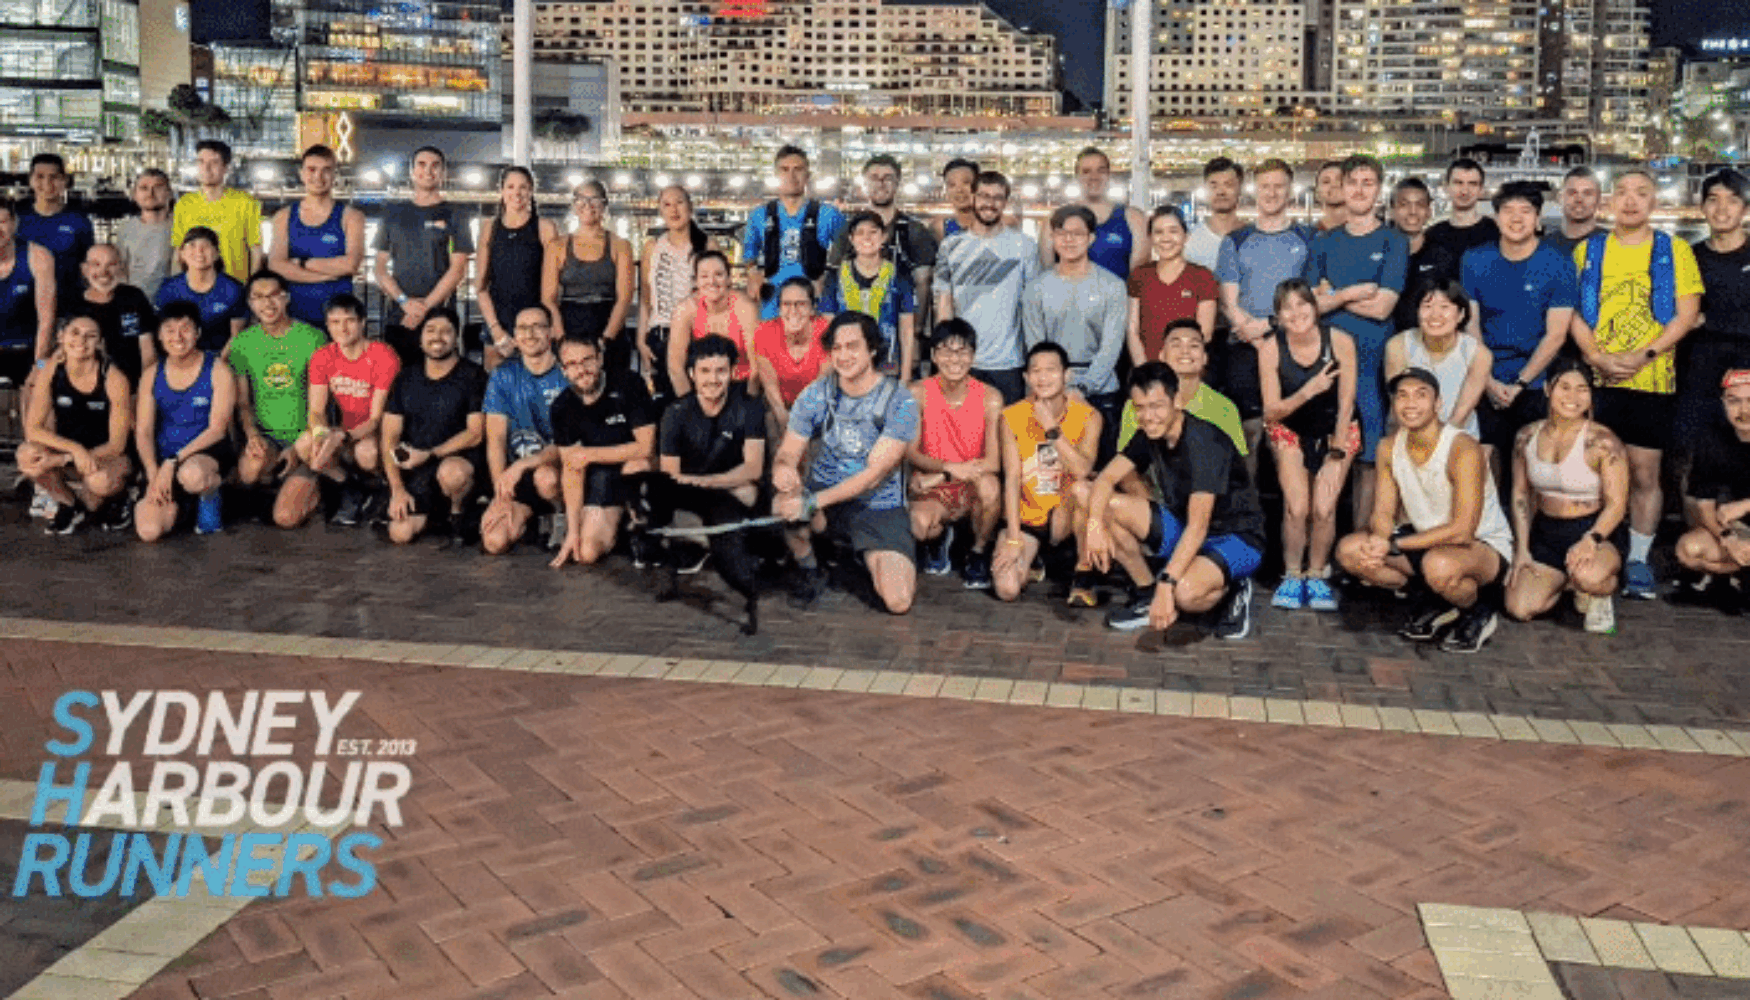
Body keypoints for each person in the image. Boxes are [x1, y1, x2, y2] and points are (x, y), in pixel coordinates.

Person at [1569, 170, 1703, 599]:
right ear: (1610, 201)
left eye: (1641, 194)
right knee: (1592, 469)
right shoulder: (1590, 251)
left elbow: (1686, 314)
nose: (1630, 201)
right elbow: (1568, 309)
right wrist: (1595, 356)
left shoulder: (1673, 249)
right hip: (1596, 379)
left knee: (1646, 473)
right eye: (1622, 193)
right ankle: (1596, 547)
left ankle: (1639, 558)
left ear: (1653, 202)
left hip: (1652, 379)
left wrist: (1642, 356)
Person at [1336, 368, 1515, 653]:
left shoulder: (1461, 447)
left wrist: (1393, 544)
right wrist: (1380, 539)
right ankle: (1437, 598)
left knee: (1438, 566)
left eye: (1421, 395)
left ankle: (1478, 609)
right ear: (1393, 405)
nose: (1410, 404)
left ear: (1438, 404)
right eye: (1402, 396)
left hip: (1481, 546)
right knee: (1350, 550)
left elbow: (1463, 530)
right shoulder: (1388, 446)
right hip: (1425, 539)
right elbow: (1383, 510)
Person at [1082, 362, 1264, 639]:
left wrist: (1167, 585)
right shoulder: (1149, 434)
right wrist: (1094, 524)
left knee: (1185, 594)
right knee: (1103, 504)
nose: (1147, 416)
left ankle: (1234, 588)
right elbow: (1105, 479)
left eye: (1156, 406)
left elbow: (1199, 526)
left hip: (1236, 538)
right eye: (1139, 407)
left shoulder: (1204, 442)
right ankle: (1146, 594)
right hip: (1186, 526)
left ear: (1177, 400)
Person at [772, 312, 920, 613]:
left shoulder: (899, 401)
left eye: (852, 346)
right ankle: (810, 567)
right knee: (782, 504)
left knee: (898, 601)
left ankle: (856, 556)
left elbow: (873, 477)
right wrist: (784, 470)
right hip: (825, 498)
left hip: (877, 507)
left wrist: (812, 502)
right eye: (836, 348)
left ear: (873, 349)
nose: (843, 355)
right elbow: (788, 451)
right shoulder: (816, 394)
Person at [1305, 154, 1409, 524]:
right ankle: (1323, 552)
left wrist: (1334, 296)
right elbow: (1310, 307)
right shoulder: (1323, 243)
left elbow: (1383, 307)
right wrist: (1354, 293)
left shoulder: (1394, 241)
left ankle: (1360, 544)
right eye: (1353, 183)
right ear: (1341, 189)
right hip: (1328, 366)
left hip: (1374, 367)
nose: (1360, 190)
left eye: (1368, 183)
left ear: (1379, 191)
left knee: (1370, 461)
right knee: (1327, 457)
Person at [1504, 361, 1629, 634]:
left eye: (1582, 389)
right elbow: (1521, 494)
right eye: (1565, 388)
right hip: (1547, 530)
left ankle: (1597, 590)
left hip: (1594, 529)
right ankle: (1567, 584)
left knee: (1590, 577)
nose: (1573, 398)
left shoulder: (1603, 441)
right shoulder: (1526, 436)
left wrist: (1591, 540)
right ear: (1548, 389)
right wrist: (1522, 549)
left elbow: (1617, 504)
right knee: (1519, 608)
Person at [1258, 280, 1358, 611]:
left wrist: (1337, 449)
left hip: (1336, 429)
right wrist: (1309, 390)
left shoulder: (1340, 341)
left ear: (1315, 308)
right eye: (1288, 308)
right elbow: (1272, 410)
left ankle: (1316, 573)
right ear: (1278, 316)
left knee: (1324, 507)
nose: (1297, 313)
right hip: (1289, 428)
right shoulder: (1271, 349)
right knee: (1298, 507)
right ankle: (1292, 574)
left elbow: (1346, 402)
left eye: (1303, 305)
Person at [1461, 183, 1577, 460]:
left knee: (1534, 463)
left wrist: (1521, 383)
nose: (1516, 218)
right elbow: (1471, 325)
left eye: (1526, 211)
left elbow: (1556, 334)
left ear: (1537, 219)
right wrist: (1487, 380)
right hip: (1484, 374)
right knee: (1482, 462)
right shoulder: (1475, 259)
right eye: (1508, 211)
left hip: (1536, 381)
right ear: (1497, 217)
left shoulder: (1557, 263)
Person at [649, 333, 768, 586]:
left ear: (732, 372)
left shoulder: (749, 407)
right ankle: (702, 542)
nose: (713, 379)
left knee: (749, 491)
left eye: (720, 371)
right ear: (692, 373)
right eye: (704, 371)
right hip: (692, 495)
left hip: (728, 488)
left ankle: (735, 543)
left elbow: (753, 467)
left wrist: (708, 483)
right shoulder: (675, 413)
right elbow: (670, 475)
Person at [1217, 159, 1314, 462]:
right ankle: (1248, 506)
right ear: (1254, 192)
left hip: (1292, 345)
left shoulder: (1308, 239)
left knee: (1288, 434)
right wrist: (1257, 340)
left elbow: (1311, 300)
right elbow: (1229, 302)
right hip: (1246, 347)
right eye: (1265, 187)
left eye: (1278, 187)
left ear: (1290, 193)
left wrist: (1270, 330)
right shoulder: (1235, 240)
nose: (1271, 193)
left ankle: (1291, 508)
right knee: (1248, 433)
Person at [994, 342, 1101, 604]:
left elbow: (1083, 469)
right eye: (1036, 371)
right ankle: (1037, 560)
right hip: (1029, 514)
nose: (1043, 378)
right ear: (1026, 377)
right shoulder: (1010, 416)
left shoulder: (1089, 416)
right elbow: (1012, 479)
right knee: (1007, 589)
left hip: (1067, 514)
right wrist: (1013, 538)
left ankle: (1083, 572)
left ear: (1067, 375)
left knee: (1085, 489)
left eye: (1051, 370)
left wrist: (1051, 428)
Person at [1023, 205, 1128, 450]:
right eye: (1062, 233)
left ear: (1091, 238)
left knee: (1098, 472)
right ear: (1052, 237)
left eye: (1077, 234)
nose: (1069, 240)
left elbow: (1111, 346)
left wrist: (1083, 387)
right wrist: (1055, 388)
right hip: (1049, 389)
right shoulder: (1036, 288)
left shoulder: (1112, 286)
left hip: (1100, 390)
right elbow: (1036, 346)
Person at [548, 333, 658, 568]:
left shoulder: (629, 384)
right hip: (600, 479)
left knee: (636, 465)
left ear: (600, 359)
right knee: (585, 553)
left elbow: (646, 447)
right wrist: (573, 531)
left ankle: (645, 528)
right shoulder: (561, 407)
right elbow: (572, 470)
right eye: (573, 364)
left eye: (588, 360)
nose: (582, 369)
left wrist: (590, 455)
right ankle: (619, 528)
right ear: (563, 369)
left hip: (638, 472)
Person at [908, 319, 1003, 588]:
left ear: (973, 356)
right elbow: (911, 453)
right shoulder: (917, 393)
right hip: (933, 487)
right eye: (946, 351)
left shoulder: (990, 397)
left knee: (990, 488)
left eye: (962, 351)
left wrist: (946, 474)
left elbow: (994, 462)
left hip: (971, 483)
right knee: (918, 524)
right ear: (934, 355)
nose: (954, 359)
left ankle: (978, 552)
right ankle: (938, 540)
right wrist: (947, 470)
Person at [292, 293, 400, 527]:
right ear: (328, 326)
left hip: (377, 433)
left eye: (349, 320)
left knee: (367, 452)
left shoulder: (383, 355)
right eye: (335, 322)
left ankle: (382, 489)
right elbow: (316, 411)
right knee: (304, 444)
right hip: (344, 431)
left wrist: (341, 436)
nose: (343, 328)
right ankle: (350, 488)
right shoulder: (323, 357)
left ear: (362, 322)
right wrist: (321, 435)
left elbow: (375, 417)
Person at [381, 307, 487, 545]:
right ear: (420, 339)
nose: (437, 337)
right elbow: (389, 437)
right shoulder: (406, 377)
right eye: (430, 330)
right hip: (419, 468)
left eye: (446, 331)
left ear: (456, 338)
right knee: (400, 534)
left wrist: (429, 454)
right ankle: (436, 517)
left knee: (452, 473)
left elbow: (475, 433)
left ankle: (458, 514)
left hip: (458, 463)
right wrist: (397, 489)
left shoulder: (473, 375)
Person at [227, 270, 327, 522]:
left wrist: (297, 448)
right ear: (250, 303)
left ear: (287, 298)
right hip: (268, 437)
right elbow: (242, 402)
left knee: (285, 518)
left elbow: (320, 408)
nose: (267, 303)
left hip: (306, 439)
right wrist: (252, 435)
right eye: (258, 297)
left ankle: (315, 485)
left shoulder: (312, 338)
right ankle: (277, 482)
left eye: (274, 295)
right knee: (250, 470)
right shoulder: (243, 343)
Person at [17, 315, 132, 533]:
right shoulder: (50, 370)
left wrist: (62, 458)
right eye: (75, 333)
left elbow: (117, 444)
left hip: (106, 456)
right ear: (61, 337)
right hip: (71, 450)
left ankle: (119, 498)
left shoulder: (114, 378)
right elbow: (32, 428)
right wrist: (74, 450)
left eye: (91, 336)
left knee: (99, 484)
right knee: (27, 456)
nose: (81, 341)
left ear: (100, 342)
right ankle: (68, 504)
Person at [133, 301, 237, 540]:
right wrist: (153, 473)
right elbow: (144, 431)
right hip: (163, 458)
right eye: (169, 330)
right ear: (159, 335)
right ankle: (182, 507)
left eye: (185, 328)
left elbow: (217, 429)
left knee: (193, 475)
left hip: (204, 455)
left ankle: (209, 495)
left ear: (198, 332)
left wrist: (173, 462)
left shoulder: (217, 369)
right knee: (149, 532)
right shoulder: (152, 374)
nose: (178, 337)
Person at [935, 170, 1040, 404]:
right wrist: (946, 356)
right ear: (973, 197)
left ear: (1005, 202)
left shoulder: (1025, 247)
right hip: (963, 362)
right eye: (984, 196)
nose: (989, 204)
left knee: (1006, 436)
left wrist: (1035, 362)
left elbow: (1033, 307)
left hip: (1009, 363)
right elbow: (944, 304)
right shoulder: (950, 247)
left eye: (997, 198)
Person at [373, 146, 474, 369]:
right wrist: (404, 302)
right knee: (397, 380)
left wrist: (425, 307)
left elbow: (458, 269)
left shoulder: (456, 214)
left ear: (444, 174)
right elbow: (379, 268)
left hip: (440, 315)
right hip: (399, 314)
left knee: (440, 379)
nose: (428, 171)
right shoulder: (393, 213)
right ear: (411, 171)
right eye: (421, 164)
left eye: (435, 165)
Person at [480, 306, 570, 555]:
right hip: (516, 477)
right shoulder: (503, 376)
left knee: (546, 478)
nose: (529, 334)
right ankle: (533, 520)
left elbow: (567, 444)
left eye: (538, 326)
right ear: (515, 337)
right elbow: (496, 439)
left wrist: (523, 464)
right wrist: (501, 496)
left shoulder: (567, 374)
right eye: (522, 328)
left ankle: (561, 516)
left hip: (560, 474)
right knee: (494, 542)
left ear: (551, 332)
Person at [827, 154, 938, 337]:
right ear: (864, 183)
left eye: (888, 178)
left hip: (901, 331)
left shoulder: (915, 231)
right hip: (854, 331)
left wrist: (916, 333)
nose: (881, 184)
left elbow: (923, 285)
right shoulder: (847, 231)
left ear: (898, 183)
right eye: (874, 178)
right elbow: (832, 282)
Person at [1680, 170, 1750, 444]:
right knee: (1696, 456)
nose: (1722, 209)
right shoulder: (1687, 256)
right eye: (1713, 199)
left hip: (1745, 376)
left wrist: (1706, 319)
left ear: (1745, 209)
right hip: (1698, 376)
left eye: (1732, 200)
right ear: (1702, 207)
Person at [1674, 369, 1750, 612]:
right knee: (1688, 551)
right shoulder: (1712, 438)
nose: (1743, 410)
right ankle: (1736, 573)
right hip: (1743, 531)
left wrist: (1745, 505)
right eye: (1734, 401)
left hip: (1741, 514)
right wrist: (1728, 539)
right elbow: (1704, 505)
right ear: (1723, 403)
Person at [1116, 319, 1249, 456]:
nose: (1185, 351)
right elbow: (1124, 463)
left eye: (1194, 345)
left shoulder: (1225, 408)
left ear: (1204, 358)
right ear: (1162, 356)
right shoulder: (1138, 404)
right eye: (1176, 345)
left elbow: (1236, 465)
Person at [743, 145, 845, 321]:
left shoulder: (829, 214)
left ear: (808, 175)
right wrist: (753, 273)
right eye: (784, 169)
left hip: (814, 307)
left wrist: (828, 277)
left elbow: (848, 251)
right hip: (772, 308)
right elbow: (748, 253)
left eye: (798, 169)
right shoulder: (759, 215)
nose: (791, 176)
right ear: (776, 174)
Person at [1384, 281, 1492, 443]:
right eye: (1427, 306)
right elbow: (1401, 404)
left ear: (1461, 314)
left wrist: (1437, 448)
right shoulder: (1398, 346)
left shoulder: (1479, 354)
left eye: (1444, 307)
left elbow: (1459, 417)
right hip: (1407, 434)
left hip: (1458, 438)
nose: (1435, 315)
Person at [475, 166, 559, 372]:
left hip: (536, 325)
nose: (517, 193)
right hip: (498, 321)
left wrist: (551, 323)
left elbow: (554, 286)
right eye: (510, 187)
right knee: (497, 388)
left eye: (523, 187)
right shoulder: (489, 228)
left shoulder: (545, 227)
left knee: (538, 386)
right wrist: (496, 331)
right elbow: (480, 287)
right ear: (502, 191)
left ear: (531, 191)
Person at [269, 144, 364, 327]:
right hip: (294, 316)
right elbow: (276, 265)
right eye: (312, 169)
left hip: (339, 321)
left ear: (335, 175)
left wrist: (303, 263)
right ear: (301, 173)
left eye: (326, 170)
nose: (318, 177)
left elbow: (351, 264)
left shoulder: (352, 216)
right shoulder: (284, 216)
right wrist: (326, 276)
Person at [543, 180, 634, 369]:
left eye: (594, 201)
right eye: (581, 200)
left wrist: (605, 340)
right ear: (574, 206)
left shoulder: (621, 246)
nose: (588, 206)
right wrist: (561, 340)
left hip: (609, 324)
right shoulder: (558, 246)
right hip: (570, 326)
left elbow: (624, 299)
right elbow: (548, 299)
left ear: (604, 206)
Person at [820, 210, 917, 382]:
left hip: (887, 367)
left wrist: (906, 376)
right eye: (860, 233)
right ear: (851, 238)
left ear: (884, 236)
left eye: (873, 232)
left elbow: (906, 330)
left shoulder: (900, 277)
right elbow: (828, 328)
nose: (867, 238)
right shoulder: (835, 278)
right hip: (847, 367)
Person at [637, 184, 707, 399]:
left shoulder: (706, 246)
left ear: (690, 206)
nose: (673, 210)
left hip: (697, 335)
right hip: (660, 335)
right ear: (660, 211)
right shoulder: (652, 247)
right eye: (667, 204)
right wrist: (641, 338)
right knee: (665, 404)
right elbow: (646, 297)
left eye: (679, 202)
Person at [1128, 205, 1218, 365]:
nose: (1166, 238)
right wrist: (1143, 368)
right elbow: (1132, 330)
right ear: (1150, 237)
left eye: (1173, 231)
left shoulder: (1202, 276)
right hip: (1147, 369)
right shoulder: (1139, 275)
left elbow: (1205, 333)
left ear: (1186, 236)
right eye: (1158, 232)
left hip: (1187, 369)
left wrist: (1182, 365)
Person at [1042, 148, 1149, 279]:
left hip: (1118, 298)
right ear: (1077, 176)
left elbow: (1138, 281)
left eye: (1101, 170)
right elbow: (1047, 275)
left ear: (1109, 175)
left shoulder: (1134, 219)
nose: (1094, 177)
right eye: (1086, 171)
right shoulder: (1054, 220)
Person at [668, 250, 760, 397]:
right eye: (704, 276)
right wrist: (690, 407)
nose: (712, 281)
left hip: (740, 385)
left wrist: (749, 405)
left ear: (729, 279)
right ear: (696, 282)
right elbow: (675, 367)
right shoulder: (685, 310)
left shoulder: (745, 307)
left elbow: (757, 365)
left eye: (719, 275)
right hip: (703, 388)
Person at [171, 139, 262, 284]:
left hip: (234, 286)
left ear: (226, 167)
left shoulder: (245, 203)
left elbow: (255, 251)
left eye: (214, 163)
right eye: (201, 162)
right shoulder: (184, 204)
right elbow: (178, 252)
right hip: (194, 288)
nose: (206, 168)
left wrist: (251, 286)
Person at [16, 153, 95, 314]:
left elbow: (88, 267)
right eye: (40, 176)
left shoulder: (79, 220)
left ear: (65, 181)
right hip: (20, 307)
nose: (47, 183)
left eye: (54, 177)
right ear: (30, 180)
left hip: (66, 306)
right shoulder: (17, 217)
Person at [751, 277, 832, 430]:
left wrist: (799, 426)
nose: (793, 311)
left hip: (817, 404)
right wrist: (783, 419)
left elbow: (822, 383)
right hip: (780, 404)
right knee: (771, 424)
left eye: (801, 304)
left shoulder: (825, 331)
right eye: (786, 304)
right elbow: (770, 386)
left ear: (812, 308)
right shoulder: (765, 333)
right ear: (779, 308)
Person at [74, 243, 157, 383]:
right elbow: (61, 353)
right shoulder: (73, 304)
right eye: (96, 264)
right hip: (87, 389)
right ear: (84, 269)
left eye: (111, 264)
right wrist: (39, 366)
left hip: (133, 385)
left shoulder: (134, 297)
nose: (103, 272)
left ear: (121, 268)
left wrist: (146, 389)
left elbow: (148, 351)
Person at [154, 227, 245, 353]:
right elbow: (162, 333)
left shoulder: (233, 289)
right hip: (180, 357)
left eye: (206, 246)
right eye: (192, 245)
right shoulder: (168, 288)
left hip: (221, 358)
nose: (199, 251)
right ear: (182, 253)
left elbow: (237, 337)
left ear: (217, 253)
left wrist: (216, 366)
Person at [0, 197, 58, 387]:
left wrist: (39, 365)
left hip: (26, 351)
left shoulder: (38, 257)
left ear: (14, 223)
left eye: (2, 221)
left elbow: (47, 319)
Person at [1388, 178, 1457, 333]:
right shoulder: (1379, 255)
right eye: (1404, 205)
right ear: (1391, 211)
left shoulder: (1443, 257)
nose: (1413, 212)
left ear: (1429, 211)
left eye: (1419, 205)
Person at [1422, 158, 1500, 267]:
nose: (1465, 191)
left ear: (1481, 190)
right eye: (1458, 183)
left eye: (1472, 184)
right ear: (1446, 188)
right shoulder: (1431, 236)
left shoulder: (1497, 234)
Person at [116, 168, 173, 300]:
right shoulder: (125, 228)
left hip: (170, 305)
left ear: (169, 193)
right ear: (135, 195)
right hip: (134, 303)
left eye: (157, 188)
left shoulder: (180, 227)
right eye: (144, 188)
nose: (150, 193)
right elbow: (120, 271)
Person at [1184, 157, 1243, 271]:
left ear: (1240, 188)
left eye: (1228, 185)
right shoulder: (1188, 243)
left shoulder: (1254, 240)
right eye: (1214, 186)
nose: (1221, 192)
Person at [1541, 166, 1602, 258]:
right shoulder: (1542, 248)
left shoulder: (1614, 245)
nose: (1579, 199)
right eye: (1572, 192)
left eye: (1587, 193)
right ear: (1560, 198)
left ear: (1598, 199)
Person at [931, 158, 980, 243]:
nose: (959, 190)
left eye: (966, 182)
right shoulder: (939, 228)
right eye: (952, 185)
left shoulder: (1000, 226)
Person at [1314, 161, 1348, 232]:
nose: (1334, 185)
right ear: (1317, 192)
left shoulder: (1370, 232)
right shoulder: (1306, 237)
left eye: (1340, 179)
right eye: (1326, 181)